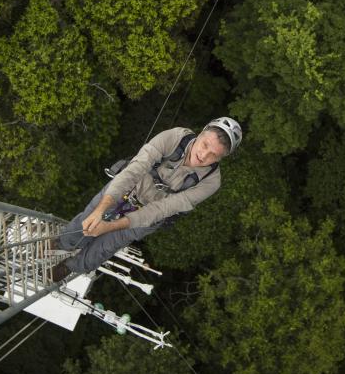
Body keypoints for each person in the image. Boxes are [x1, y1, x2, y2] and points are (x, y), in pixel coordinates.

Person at [56, 117, 242, 275]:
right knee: (87, 219)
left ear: (220, 159)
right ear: (200, 134)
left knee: (106, 246)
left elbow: (162, 209)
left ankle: (71, 267)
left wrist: (111, 226)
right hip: (128, 188)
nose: (203, 155)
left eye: (213, 155)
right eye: (205, 145)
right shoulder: (175, 137)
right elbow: (134, 170)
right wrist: (101, 210)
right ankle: (61, 243)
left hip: (150, 214)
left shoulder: (210, 182)